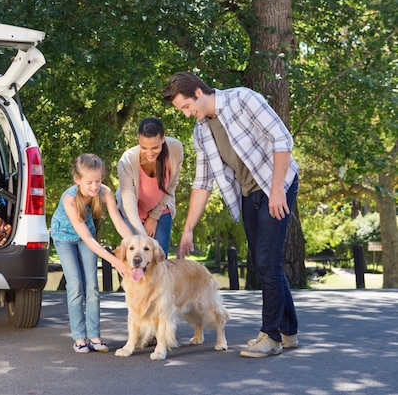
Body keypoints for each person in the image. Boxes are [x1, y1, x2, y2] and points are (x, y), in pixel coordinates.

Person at [162, 72, 300, 358]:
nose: (187, 114)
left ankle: (271, 337)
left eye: (186, 107)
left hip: (277, 183)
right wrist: (188, 229)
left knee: (266, 261)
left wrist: (276, 191)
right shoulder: (202, 130)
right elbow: (202, 183)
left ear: (199, 92)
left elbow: (282, 139)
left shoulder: (243, 99)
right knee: (265, 261)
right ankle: (289, 331)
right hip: (249, 194)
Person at [50, 153, 133, 354]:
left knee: (92, 285)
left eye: (98, 181)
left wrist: (134, 245)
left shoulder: (104, 192)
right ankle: (79, 338)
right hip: (64, 238)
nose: (94, 187)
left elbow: (118, 221)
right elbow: (87, 239)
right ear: (77, 180)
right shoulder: (70, 199)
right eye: (89, 182)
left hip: (87, 236)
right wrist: (116, 261)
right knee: (76, 285)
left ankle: (95, 336)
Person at [116, 117, 184, 256]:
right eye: (144, 147)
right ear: (138, 141)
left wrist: (154, 216)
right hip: (133, 213)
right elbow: (129, 205)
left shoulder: (175, 148)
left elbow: (171, 185)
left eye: (155, 147)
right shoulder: (127, 161)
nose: (149, 153)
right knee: (136, 258)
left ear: (163, 138)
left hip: (161, 208)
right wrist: (144, 239)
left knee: (159, 259)